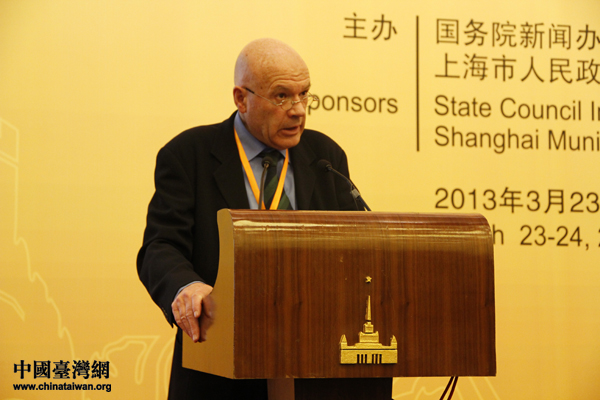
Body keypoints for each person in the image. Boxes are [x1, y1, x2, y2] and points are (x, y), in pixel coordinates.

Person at [137, 38, 359, 400]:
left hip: (315, 365)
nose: (298, 110)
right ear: (242, 99)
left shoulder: (325, 156)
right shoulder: (189, 154)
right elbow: (160, 246)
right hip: (218, 368)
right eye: (282, 96)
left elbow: (354, 244)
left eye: (304, 94)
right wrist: (186, 287)